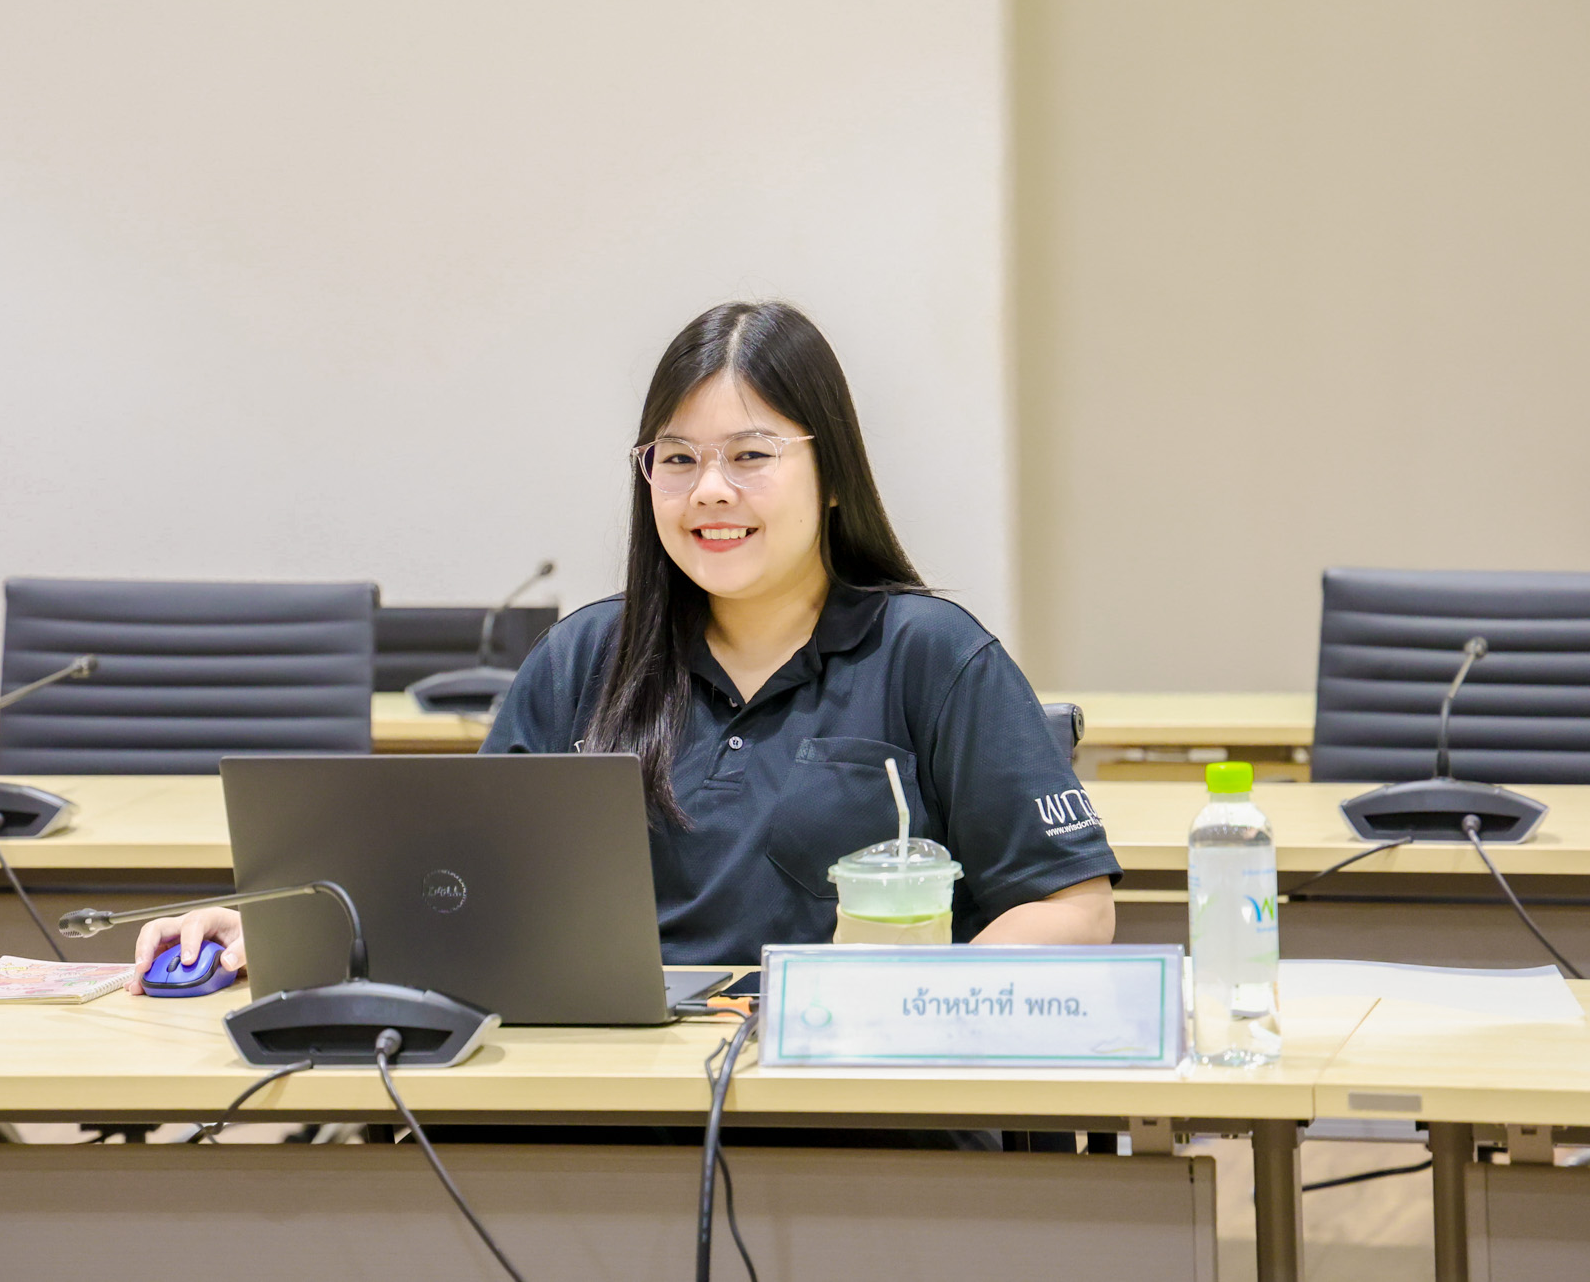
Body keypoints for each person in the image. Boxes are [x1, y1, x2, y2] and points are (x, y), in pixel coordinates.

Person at [130, 300, 1117, 992]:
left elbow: (1073, 911)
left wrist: (910, 1012)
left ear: (831, 477)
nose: (709, 490)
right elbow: (449, 890)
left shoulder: (932, 655)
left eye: (751, 455)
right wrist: (274, 923)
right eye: (675, 459)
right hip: (605, 1105)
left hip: (853, 1111)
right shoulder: (581, 660)